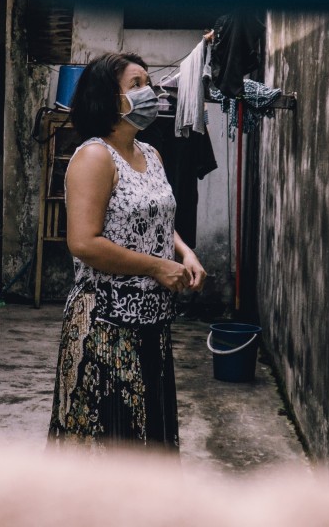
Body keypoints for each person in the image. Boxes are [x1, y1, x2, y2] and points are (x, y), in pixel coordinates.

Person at [47, 52, 207, 452]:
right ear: (108, 98)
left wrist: (185, 253)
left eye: (147, 83)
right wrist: (156, 267)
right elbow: (84, 243)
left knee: (146, 441)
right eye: (136, 85)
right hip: (106, 325)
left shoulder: (150, 154)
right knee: (107, 445)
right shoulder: (95, 157)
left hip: (152, 322)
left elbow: (159, 218)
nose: (148, 92)